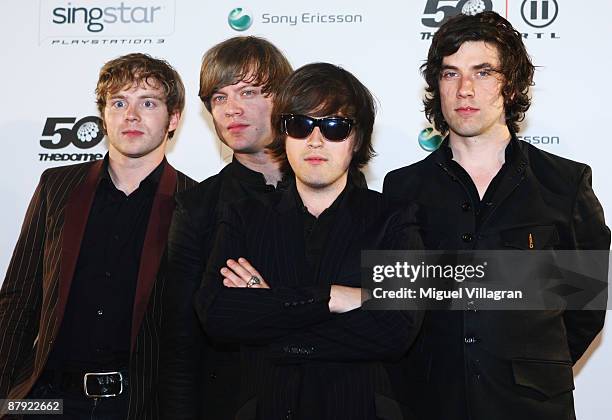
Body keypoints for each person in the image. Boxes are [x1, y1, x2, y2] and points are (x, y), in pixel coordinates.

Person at [383, 11, 610, 420]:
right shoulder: (402, 190)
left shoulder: (565, 183)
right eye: (451, 74)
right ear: (436, 86)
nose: (465, 90)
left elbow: (585, 309)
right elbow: (398, 308)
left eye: (483, 72)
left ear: (511, 84)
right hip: (431, 403)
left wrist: (532, 370)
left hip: (531, 407)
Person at [195, 62, 423, 420]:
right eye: (300, 125)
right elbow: (218, 315)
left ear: (357, 139)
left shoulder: (391, 218)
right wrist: (334, 297)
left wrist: (271, 310)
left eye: (334, 127)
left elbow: (396, 329)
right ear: (283, 135)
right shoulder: (244, 216)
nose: (315, 141)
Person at [0, 53, 195, 418]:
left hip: (137, 405)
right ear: (104, 117)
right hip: (45, 400)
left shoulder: (196, 202)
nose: (131, 115)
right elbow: (18, 297)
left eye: (148, 103)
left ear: (174, 119)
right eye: (118, 102)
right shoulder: (57, 186)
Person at [161, 36, 293, 419]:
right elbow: (180, 343)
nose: (232, 110)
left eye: (248, 92)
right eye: (219, 98)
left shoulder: (338, 192)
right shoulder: (197, 207)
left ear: (283, 98)